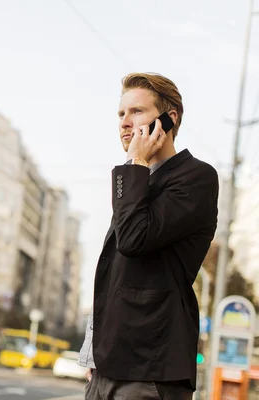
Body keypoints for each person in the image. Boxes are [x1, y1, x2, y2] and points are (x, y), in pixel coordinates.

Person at [79, 73, 219, 399]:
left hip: (149, 371)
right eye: (121, 114)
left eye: (137, 112)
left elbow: (132, 240)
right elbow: (114, 276)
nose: (125, 123)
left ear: (169, 120)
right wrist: (93, 352)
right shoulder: (139, 180)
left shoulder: (196, 178)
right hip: (107, 368)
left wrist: (136, 162)